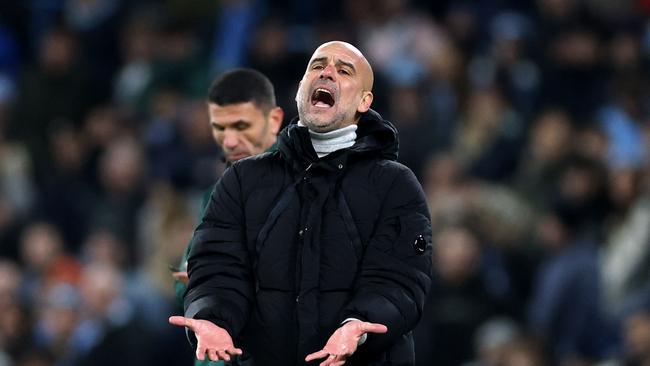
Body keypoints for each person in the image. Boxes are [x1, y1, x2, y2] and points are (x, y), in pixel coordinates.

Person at [169, 41, 432, 366]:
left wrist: (358, 325)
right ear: (299, 90)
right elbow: (217, 267)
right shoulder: (242, 179)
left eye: (344, 70)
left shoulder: (394, 185)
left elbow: (400, 281)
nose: (327, 73)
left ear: (365, 101)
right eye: (317, 66)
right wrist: (212, 316)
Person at [170, 68, 284, 366]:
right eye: (220, 128)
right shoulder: (215, 195)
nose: (229, 141)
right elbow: (185, 282)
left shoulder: (303, 187)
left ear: (273, 120)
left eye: (241, 125)